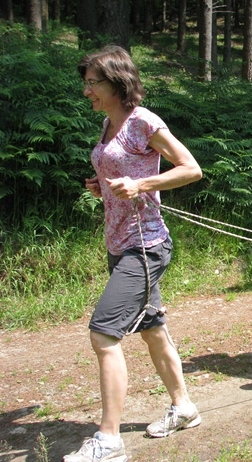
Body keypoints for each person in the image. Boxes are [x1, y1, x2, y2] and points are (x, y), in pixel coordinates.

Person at [65, 46, 203, 461]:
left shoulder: (144, 121)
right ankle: (184, 408)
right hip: (119, 243)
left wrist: (141, 186)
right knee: (152, 328)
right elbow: (122, 172)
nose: (87, 90)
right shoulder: (109, 123)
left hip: (145, 246)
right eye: (86, 83)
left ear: (116, 83)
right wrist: (104, 184)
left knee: (104, 333)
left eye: (93, 83)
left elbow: (191, 168)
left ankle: (109, 441)